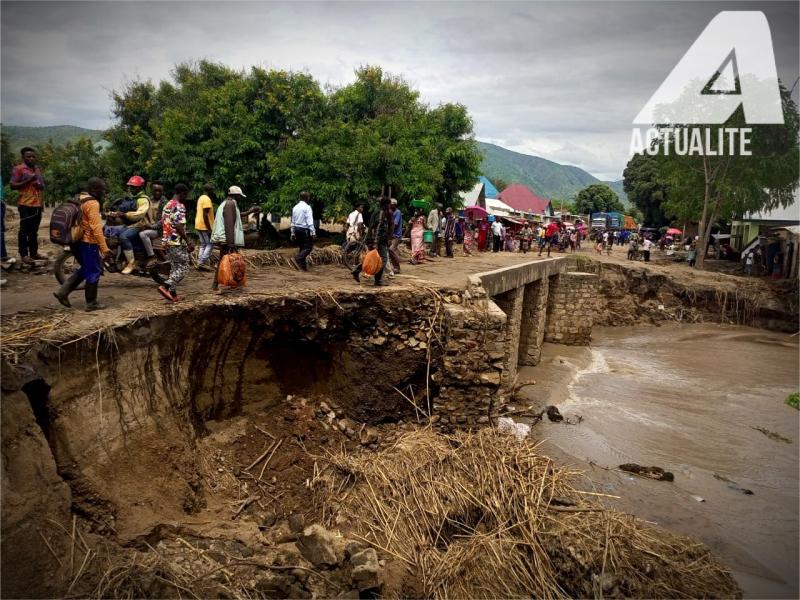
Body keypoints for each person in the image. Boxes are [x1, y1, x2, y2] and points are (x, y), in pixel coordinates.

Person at [53, 178, 112, 311]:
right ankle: (91, 302)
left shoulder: (79, 197)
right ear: (96, 189)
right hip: (88, 242)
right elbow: (96, 228)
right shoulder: (92, 203)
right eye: (102, 189)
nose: (104, 192)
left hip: (75, 240)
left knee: (87, 268)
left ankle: (63, 292)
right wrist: (104, 248)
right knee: (93, 271)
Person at [211, 186, 258, 291]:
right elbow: (229, 224)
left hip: (225, 238)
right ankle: (220, 283)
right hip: (226, 238)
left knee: (223, 261)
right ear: (235, 195)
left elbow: (235, 216)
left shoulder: (228, 203)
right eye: (239, 196)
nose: (240, 198)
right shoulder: (230, 204)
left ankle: (217, 284)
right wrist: (231, 243)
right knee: (225, 261)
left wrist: (249, 211)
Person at [157, 183, 194, 302]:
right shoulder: (179, 206)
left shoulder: (167, 204)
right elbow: (178, 225)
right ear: (182, 193)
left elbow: (163, 221)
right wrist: (188, 241)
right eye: (185, 194)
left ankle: (173, 294)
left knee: (174, 267)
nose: (186, 196)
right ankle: (165, 286)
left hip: (167, 241)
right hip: (176, 241)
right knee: (184, 266)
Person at [9, 147, 46, 264]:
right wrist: (28, 180)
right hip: (25, 204)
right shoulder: (19, 169)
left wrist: (40, 185)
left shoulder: (37, 169)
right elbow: (12, 185)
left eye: (33, 156)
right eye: (28, 156)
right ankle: (24, 255)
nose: (31, 158)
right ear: (23, 158)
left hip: (38, 204)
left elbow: (42, 185)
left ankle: (34, 253)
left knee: (34, 231)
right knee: (24, 230)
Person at [110, 175, 154, 274]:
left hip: (142, 224)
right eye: (130, 186)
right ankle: (120, 258)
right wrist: (114, 214)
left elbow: (139, 215)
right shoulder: (132, 198)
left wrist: (125, 215)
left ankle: (131, 262)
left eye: (133, 187)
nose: (131, 188)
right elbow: (124, 208)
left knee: (123, 236)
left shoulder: (143, 199)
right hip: (134, 224)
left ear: (140, 188)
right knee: (114, 232)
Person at [352, 196, 391, 286]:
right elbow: (378, 227)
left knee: (372, 259)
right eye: (388, 204)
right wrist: (376, 242)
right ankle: (377, 280)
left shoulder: (378, 212)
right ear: (385, 205)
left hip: (375, 239)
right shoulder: (381, 213)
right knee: (383, 259)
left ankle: (357, 270)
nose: (389, 206)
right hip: (378, 240)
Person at [138, 182, 168, 267]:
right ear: (152, 191)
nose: (157, 192)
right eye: (155, 190)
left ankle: (152, 256)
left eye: (159, 191)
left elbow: (164, 220)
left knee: (143, 234)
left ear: (163, 191)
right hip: (149, 226)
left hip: (159, 229)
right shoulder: (148, 200)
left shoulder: (165, 203)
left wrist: (151, 226)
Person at [290, 191, 316, 271]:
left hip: (297, 229)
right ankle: (297, 259)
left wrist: (292, 233)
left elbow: (293, 222)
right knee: (308, 247)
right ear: (306, 198)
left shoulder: (295, 207)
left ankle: (303, 267)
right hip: (304, 230)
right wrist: (313, 232)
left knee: (302, 247)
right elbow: (310, 221)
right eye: (308, 197)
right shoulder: (307, 207)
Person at [195, 183, 216, 271]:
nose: (213, 192)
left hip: (198, 224)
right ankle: (201, 262)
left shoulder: (201, 197)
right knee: (210, 244)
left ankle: (200, 262)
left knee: (203, 244)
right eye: (212, 190)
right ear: (209, 190)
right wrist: (209, 229)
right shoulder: (207, 199)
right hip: (204, 225)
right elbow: (205, 215)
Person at [388, 198, 403, 275]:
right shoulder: (390, 211)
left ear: (394, 205)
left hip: (396, 235)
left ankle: (397, 267)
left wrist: (390, 235)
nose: (390, 205)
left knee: (391, 249)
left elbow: (395, 224)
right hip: (391, 234)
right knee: (389, 251)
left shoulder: (398, 212)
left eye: (391, 204)